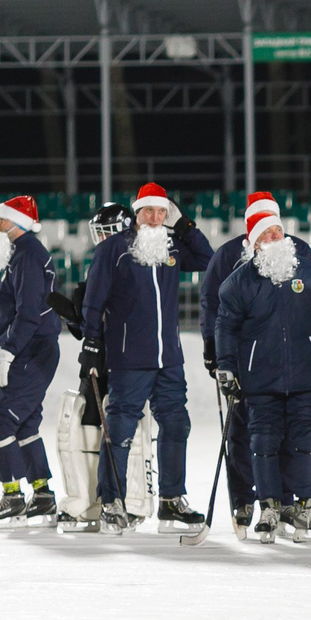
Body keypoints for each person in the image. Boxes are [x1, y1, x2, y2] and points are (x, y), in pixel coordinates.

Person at [80, 181, 217, 532]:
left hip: (169, 357)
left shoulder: (172, 245)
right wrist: (92, 346)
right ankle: (112, 501)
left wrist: (185, 225)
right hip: (130, 357)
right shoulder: (114, 248)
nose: (155, 218)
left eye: (161, 211)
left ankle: (172, 502)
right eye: (148, 211)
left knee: (176, 424)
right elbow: (93, 301)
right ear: (136, 213)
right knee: (121, 429)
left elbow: (208, 259)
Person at [214, 211, 311, 543]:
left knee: (310, 441)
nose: (276, 238)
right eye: (267, 234)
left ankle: (306, 507)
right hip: (260, 379)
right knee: (264, 443)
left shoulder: (309, 272)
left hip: (305, 375)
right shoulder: (238, 282)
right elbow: (225, 328)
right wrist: (226, 367)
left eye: (278, 232)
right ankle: (269, 507)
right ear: (254, 243)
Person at [45, 199, 140, 535]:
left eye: (108, 232)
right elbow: (93, 322)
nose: (103, 239)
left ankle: (131, 499)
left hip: (126, 360)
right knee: (86, 424)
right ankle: (88, 501)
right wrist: (77, 320)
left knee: (123, 428)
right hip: (98, 361)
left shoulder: (134, 265)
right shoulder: (103, 261)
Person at [0, 194, 62, 527]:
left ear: (17, 223)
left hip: (31, 350)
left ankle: (12, 498)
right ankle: (42, 495)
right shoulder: (21, 254)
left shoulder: (27, 255)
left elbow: (28, 313)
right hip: (33, 349)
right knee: (24, 424)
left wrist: (8, 352)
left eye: (1, 220)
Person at [199, 192, 278, 536]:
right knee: (240, 433)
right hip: (238, 357)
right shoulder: (228, 255)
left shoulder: (295, 251)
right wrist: (212, 347)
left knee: (276, 433)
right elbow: (209, 301)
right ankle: (243, 498)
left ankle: (279, 501)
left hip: (278, 359)